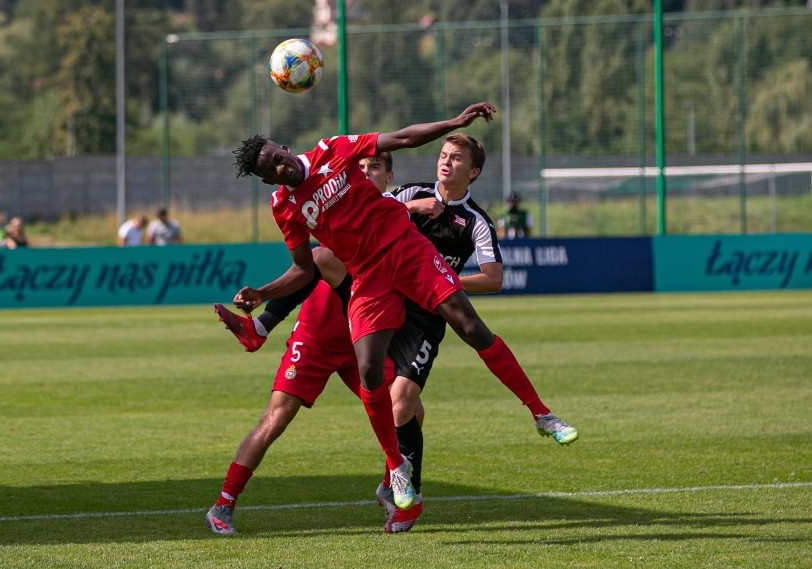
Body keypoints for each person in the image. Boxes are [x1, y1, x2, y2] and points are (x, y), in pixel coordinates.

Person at [227, 101, 578, 526]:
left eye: (278, 158)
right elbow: (305, 267)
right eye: (272, 172)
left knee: (469, 325)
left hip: (406, 251)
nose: (282, 169)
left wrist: (454, 123)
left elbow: (403, 137)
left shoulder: (330, 150)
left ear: (282, 147)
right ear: (267, 181)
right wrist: (263, 293)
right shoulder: (284, 206)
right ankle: (396, 470)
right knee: (371, 370)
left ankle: (541, 414)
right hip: (368, 275)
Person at [206, 272, 400, 535]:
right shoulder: (343, 239)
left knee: (404, 406)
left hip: (361, 341)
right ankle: (223, 505)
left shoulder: (395, 243)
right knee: (276, 418)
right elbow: (308, 267)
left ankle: (389, 486)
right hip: (314, 338)